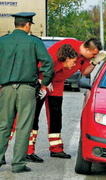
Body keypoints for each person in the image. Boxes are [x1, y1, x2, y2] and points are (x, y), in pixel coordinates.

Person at [26, 38, 106, 162]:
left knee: (56, 114)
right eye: (93, 54)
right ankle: (28, 150)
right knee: (34, 114)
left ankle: (56, 148)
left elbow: (85, 72)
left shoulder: (85, 57)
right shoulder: (67, 46)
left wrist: (94, 62)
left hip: (57, 83)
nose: (93, 56)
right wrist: (44, 81)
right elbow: (44, 63)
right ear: (86, 48)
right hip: (43, 79)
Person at [0, 12, 54, 173]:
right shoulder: (34, 42)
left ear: (15, 24)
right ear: (28, 25)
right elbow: (48, 64)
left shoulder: (2, 41)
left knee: (3, 125)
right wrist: (44, 83)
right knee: (23, 127)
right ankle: (18, 165)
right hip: (27, 89)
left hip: (6, 89)